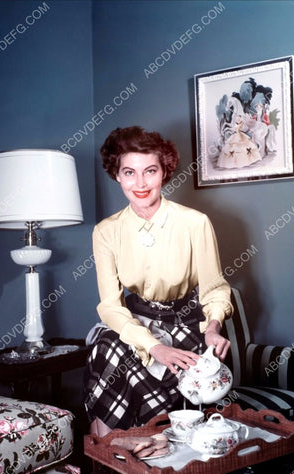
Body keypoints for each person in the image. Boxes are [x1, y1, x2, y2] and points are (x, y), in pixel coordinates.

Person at [84, 126, 233, 437]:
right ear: (117, 176)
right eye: (129, 172)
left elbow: (214, 290)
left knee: (163, 363)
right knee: (107, 347)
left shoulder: (195, 223)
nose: (140, 183)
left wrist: (213, 328)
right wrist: (154, 347)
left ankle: (151, 451)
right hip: (137, 326)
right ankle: (111, 456)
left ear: (164, 172)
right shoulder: (105, 231)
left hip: (188, 327)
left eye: (150, 171)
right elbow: (111, 306)